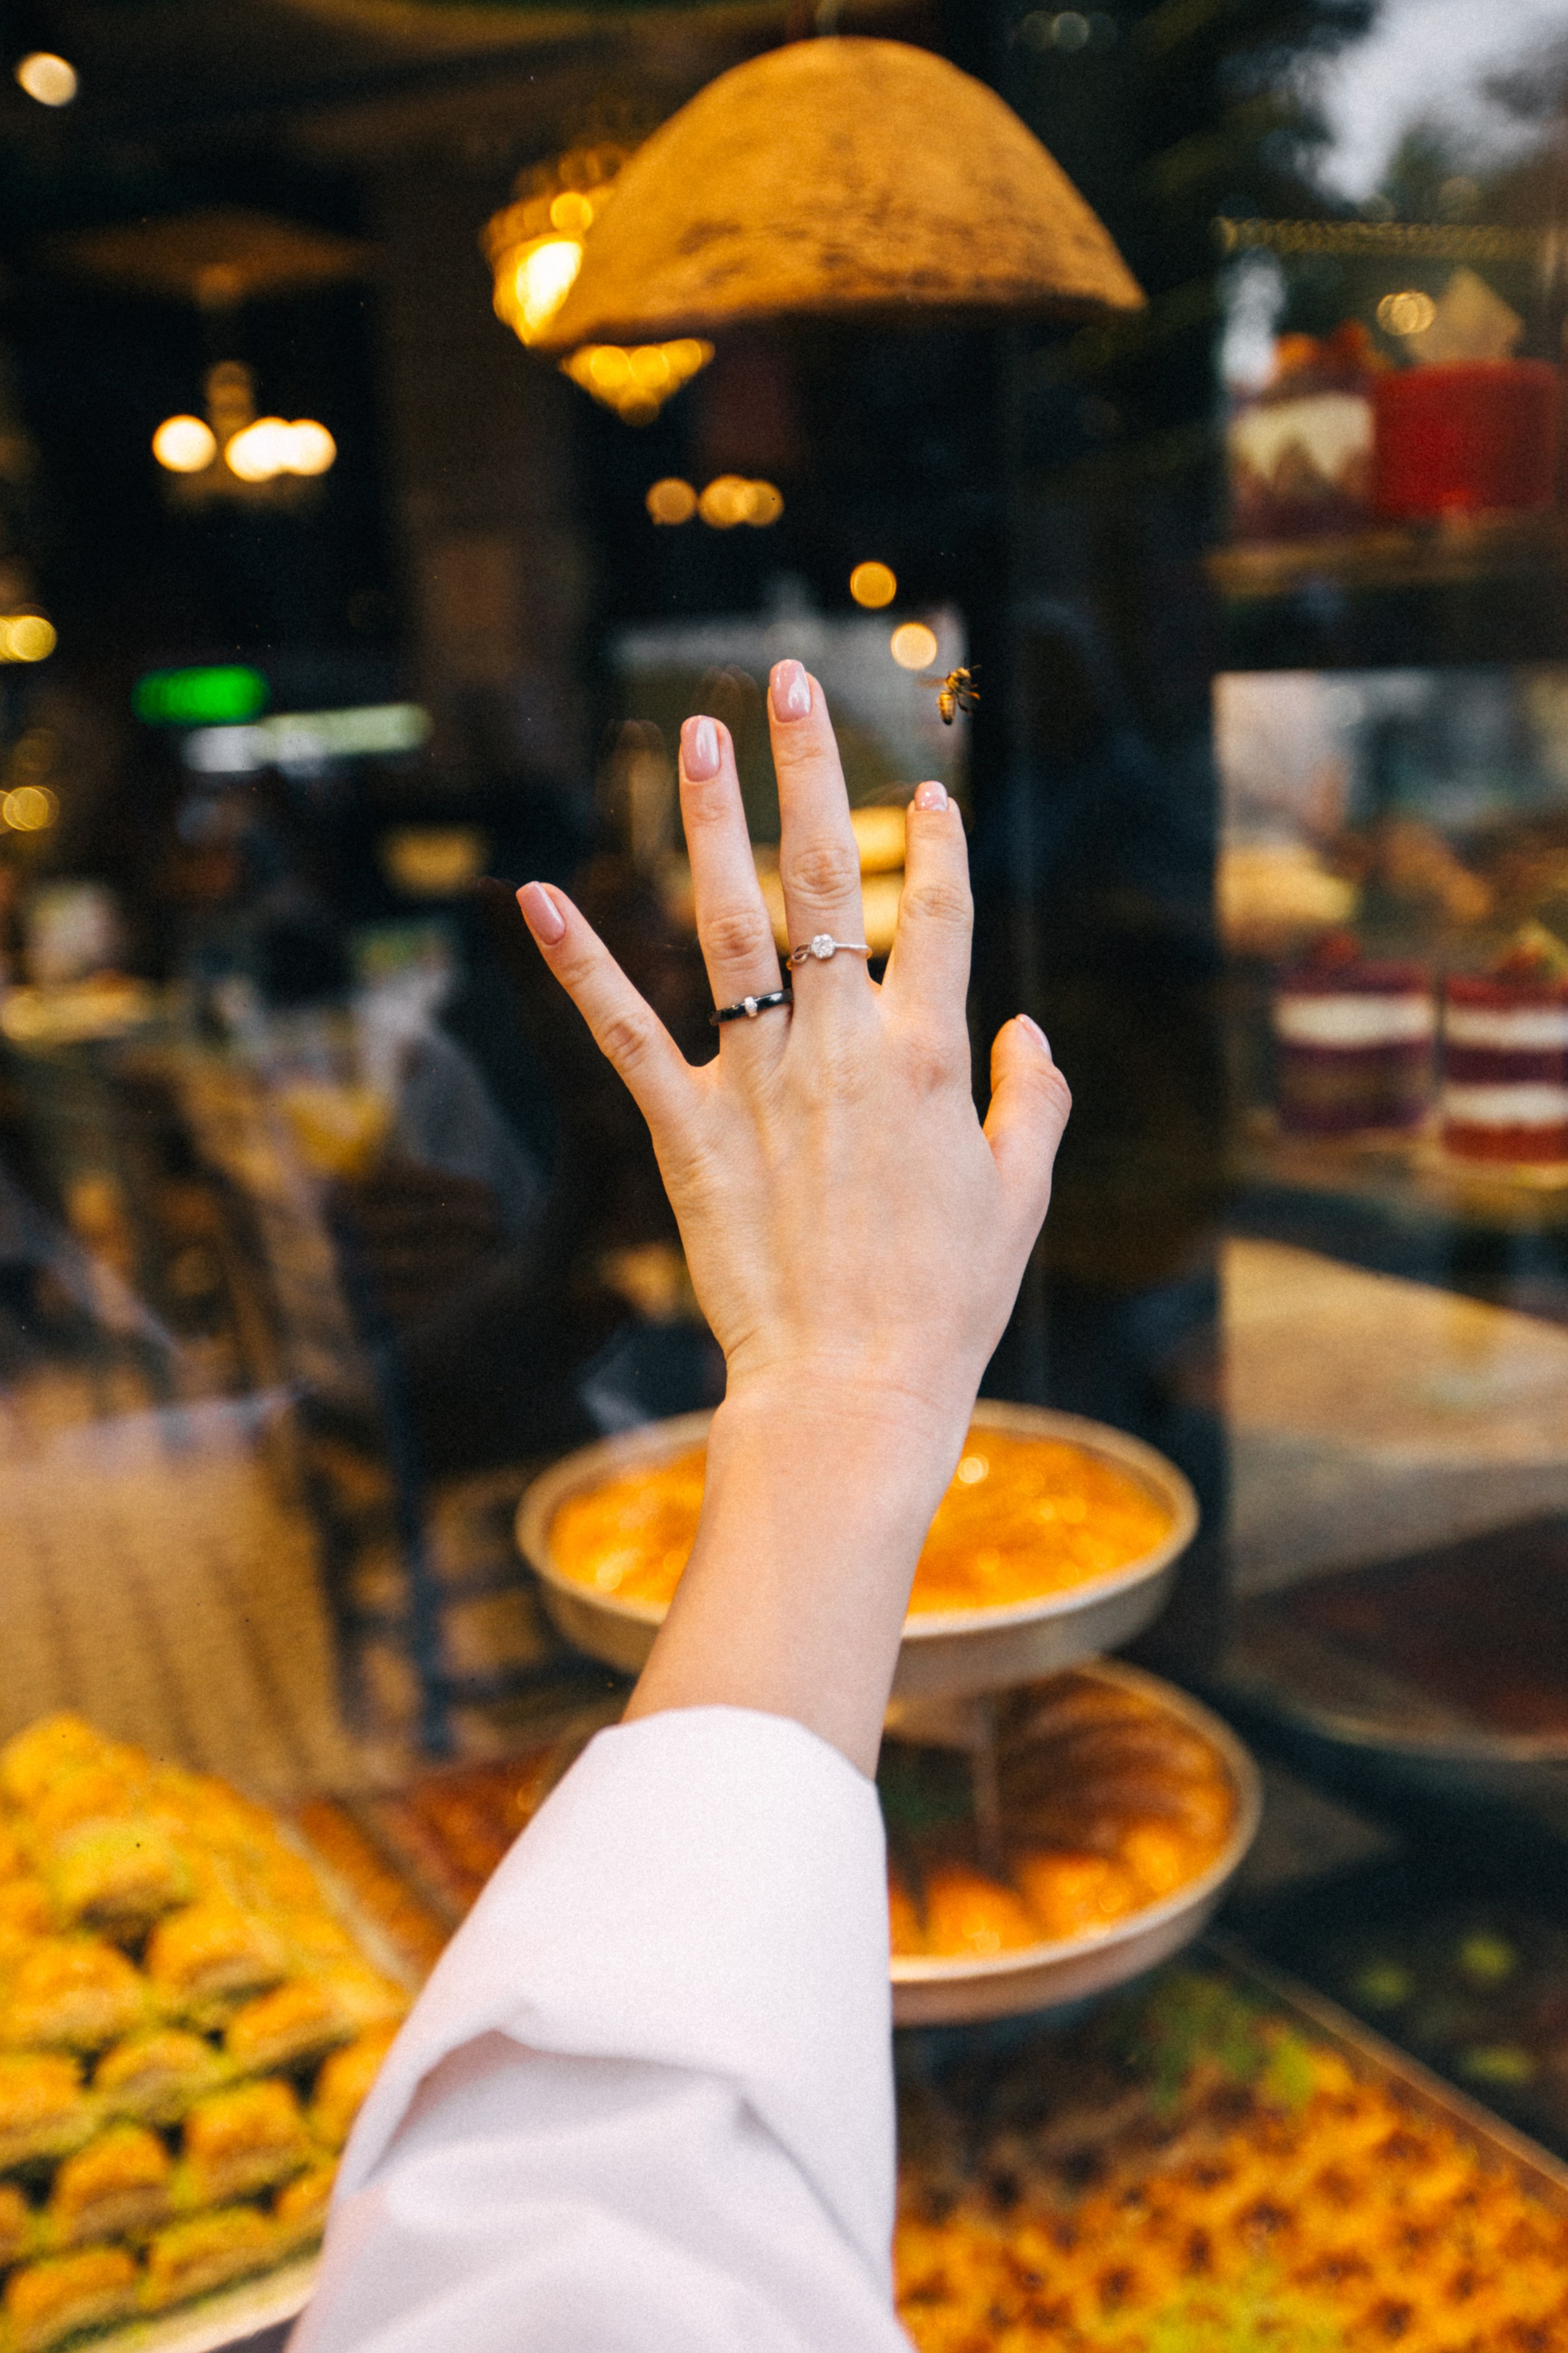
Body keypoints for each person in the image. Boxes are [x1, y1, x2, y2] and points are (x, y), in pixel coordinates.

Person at [290, 659, 1072, 2352]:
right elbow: (604, 2232)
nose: (653, 923)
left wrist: (825, 1384)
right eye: (622, 890)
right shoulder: (475, 1059)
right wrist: (836, 1385)